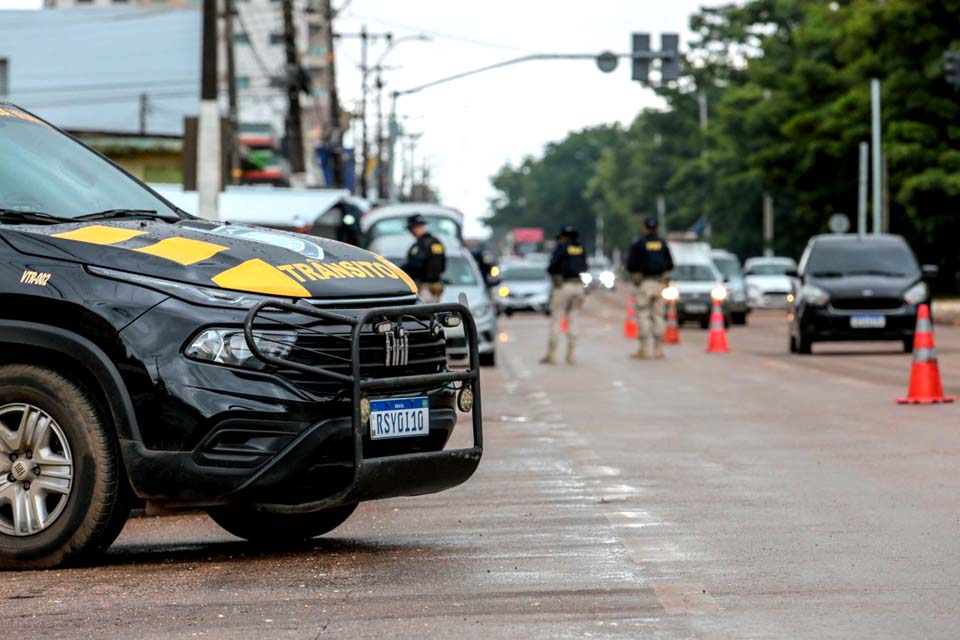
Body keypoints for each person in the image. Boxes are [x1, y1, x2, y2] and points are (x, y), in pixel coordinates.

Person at [626, 217, 674, 359]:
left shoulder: (639, 243)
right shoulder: (662, 244)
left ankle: (645, 350)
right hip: (660, 284)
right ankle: (659, 349)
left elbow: (630, 264)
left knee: (643, 314)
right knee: (658, 316)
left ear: (645, 228)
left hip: (645, 283)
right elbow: (670, 264)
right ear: (657, 229)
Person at [540, 225, 587, 366]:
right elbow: (585, 266)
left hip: (563, 286)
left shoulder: (561, 248)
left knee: (556, 319)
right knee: (574, 319)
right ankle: (571, 355)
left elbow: (552, 267)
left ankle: (552, 354)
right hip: (579, 286)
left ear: (563, 237)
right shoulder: (581, 248)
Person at [403, 214, 446, 303]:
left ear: (414, 228)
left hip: (424, 288)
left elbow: (416, 264)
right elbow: (442, 266)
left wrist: (402, 269)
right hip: (436, 287)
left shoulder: (421, 245)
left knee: (422, 314)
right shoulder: (436, 242)